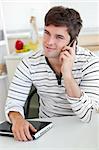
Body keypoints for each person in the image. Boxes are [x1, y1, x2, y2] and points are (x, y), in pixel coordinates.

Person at [5, 6, 99, 141]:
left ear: (72, 42)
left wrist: (67, 75)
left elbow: (88, 115)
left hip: (84, 130)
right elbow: (13, 103)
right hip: (48, 131)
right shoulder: (29, 63)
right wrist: (17, 119)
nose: (49, 42)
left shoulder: (90, 63)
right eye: (47, 33)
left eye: (59, 37)